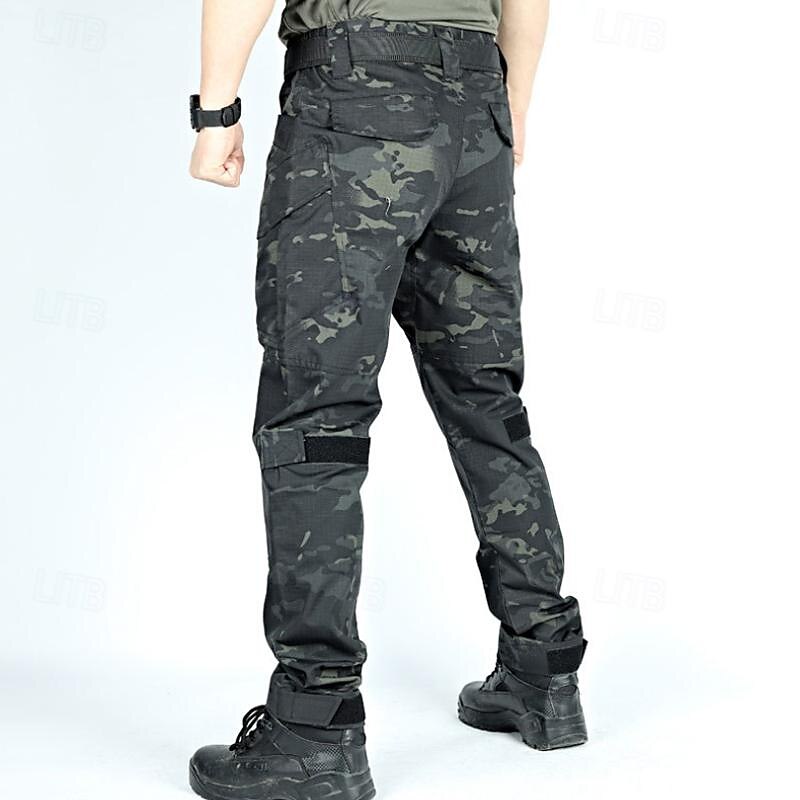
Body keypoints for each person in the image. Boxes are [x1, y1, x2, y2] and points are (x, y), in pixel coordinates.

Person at [187, 2, 587, 798]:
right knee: (486, 396)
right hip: (476, 99)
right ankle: (543, 667)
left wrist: (215, 111)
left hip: (355, 97)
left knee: (317, 413)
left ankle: (315, 725)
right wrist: (509, 109)